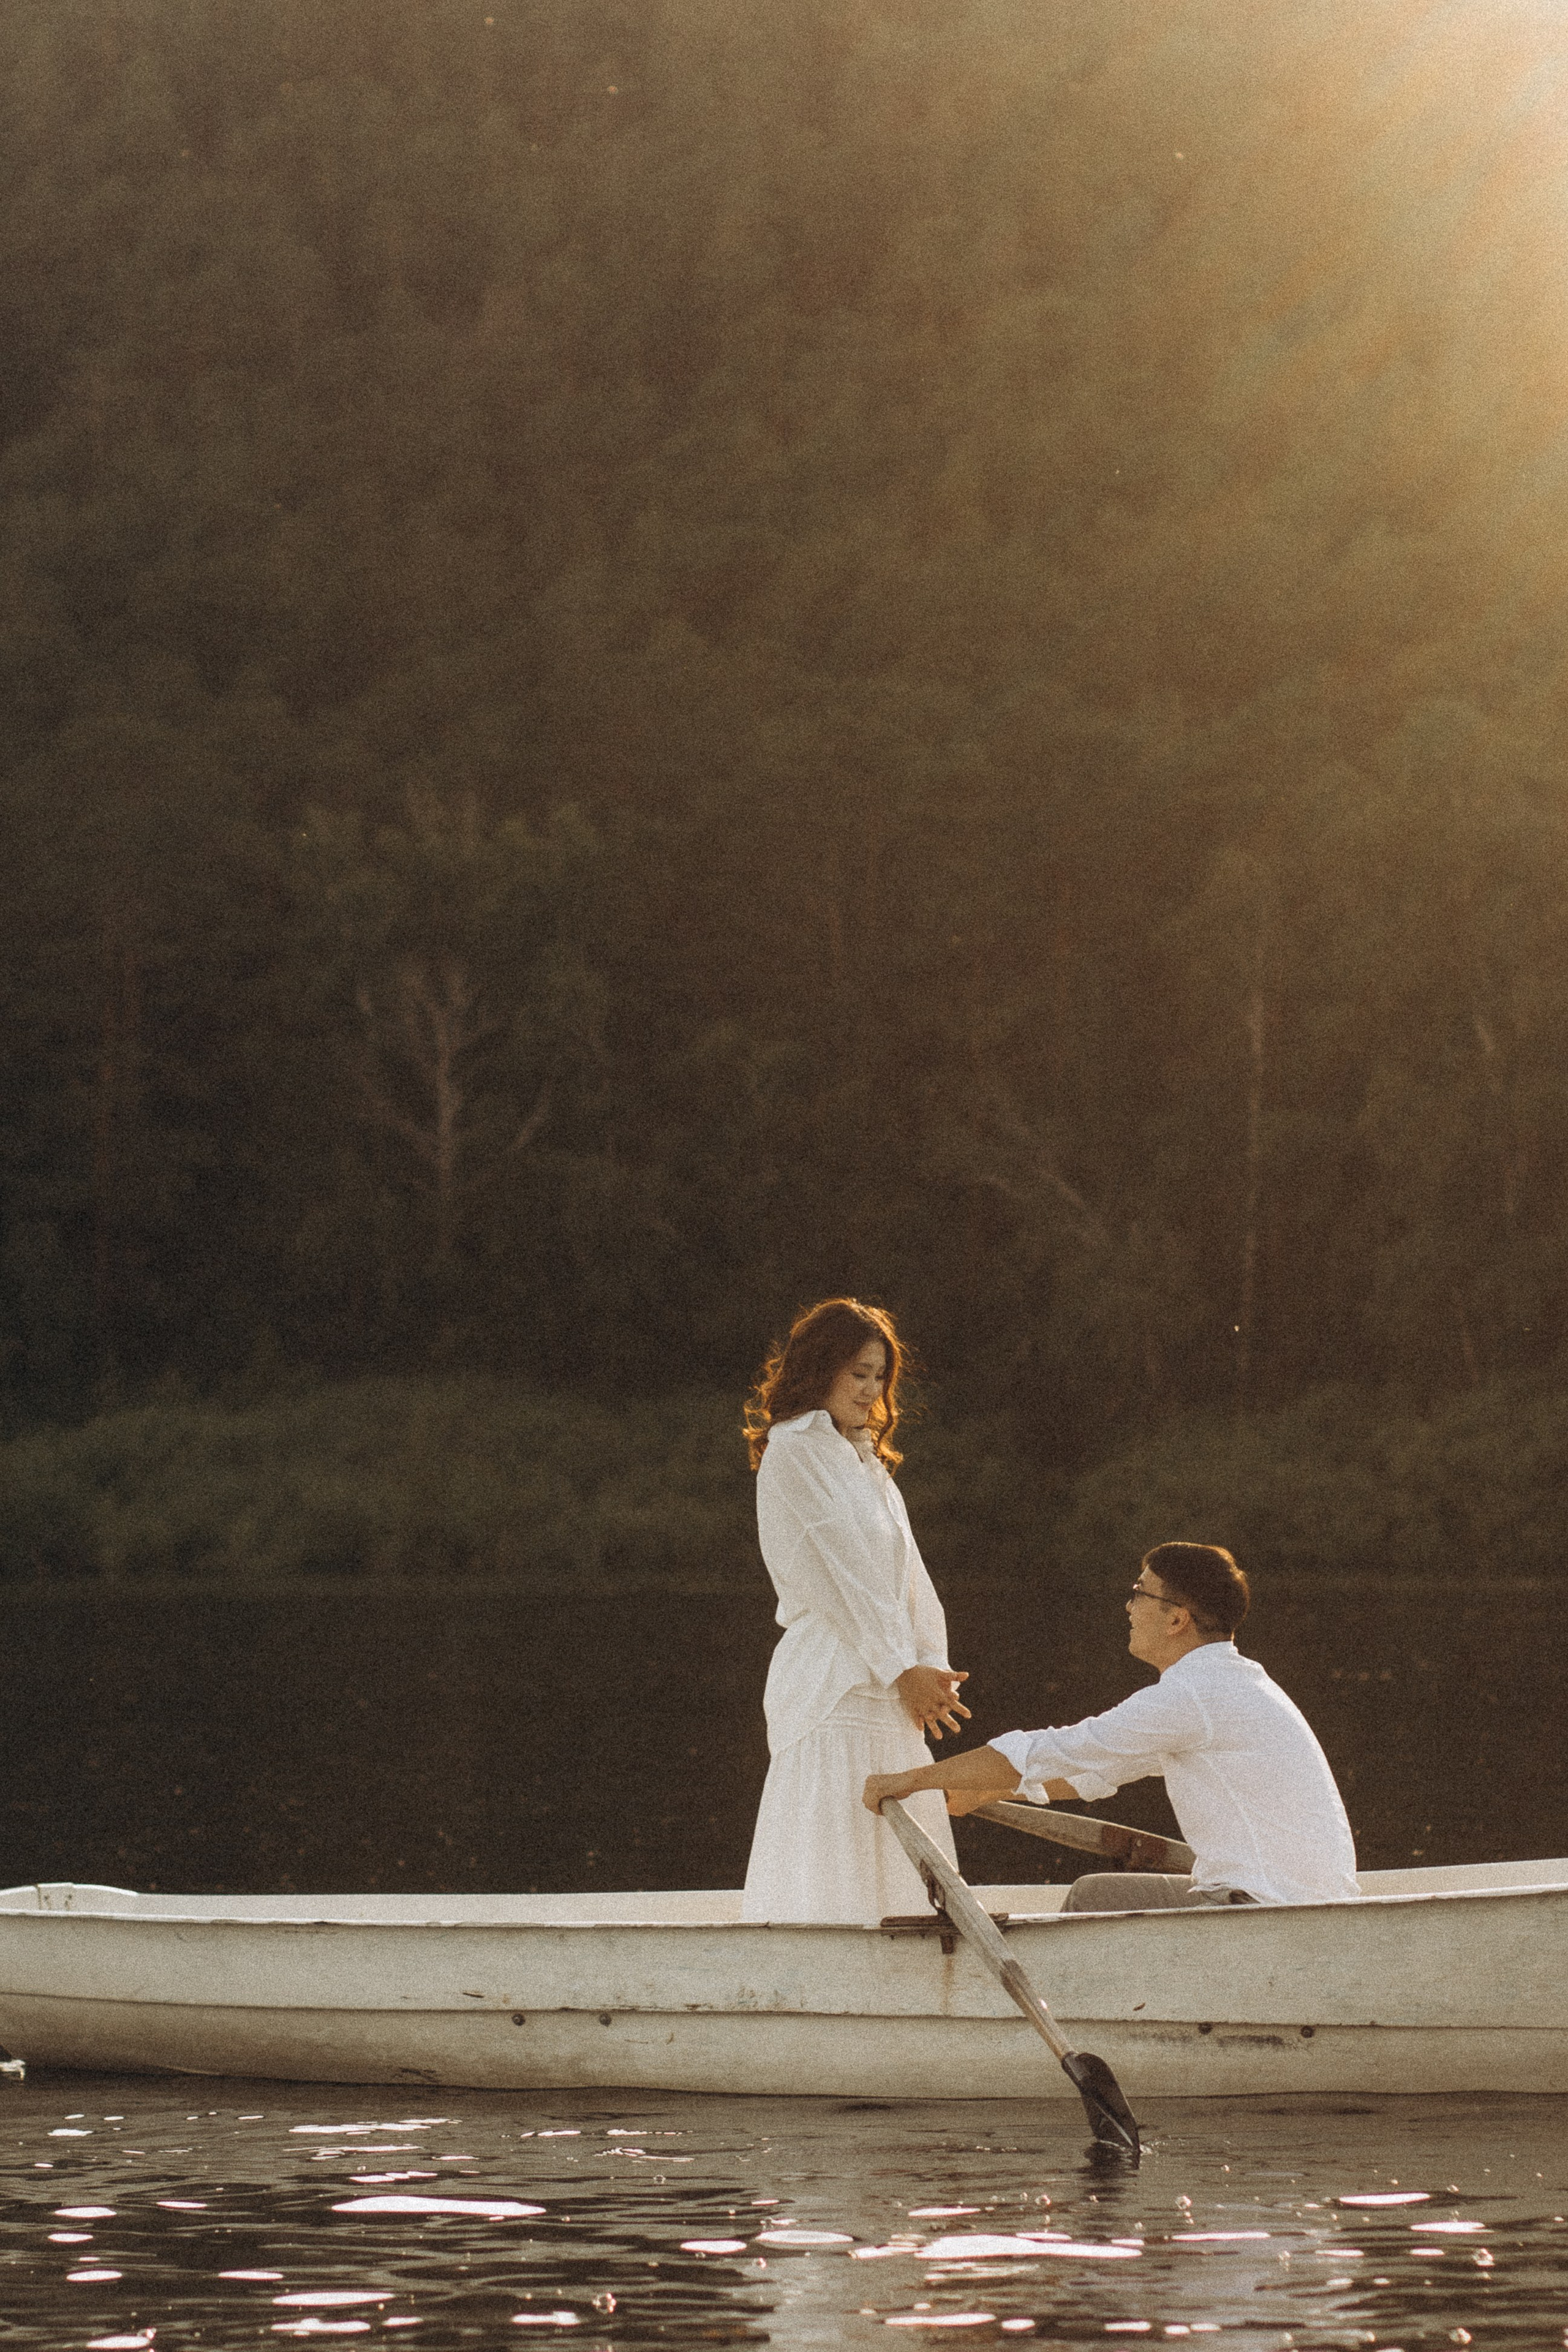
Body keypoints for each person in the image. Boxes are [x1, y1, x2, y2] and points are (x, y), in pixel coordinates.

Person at [864, 1541, 1359, 1909]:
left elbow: (1057, 1750)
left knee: (1093, 1899)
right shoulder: (1232, 1684)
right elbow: (1094, 1772)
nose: (1128, 1606)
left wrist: (910, 1780)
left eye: (1139, 1593)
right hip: (1298, 1904)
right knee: (1101, 1893)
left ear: (1176, 1620)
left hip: (1265, 1908)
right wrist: (986, 1791)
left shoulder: (1191, 1696)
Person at [740, 1298, 971, 1924]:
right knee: (832, 1856)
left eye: (879, 1377)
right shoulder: (794, 1451)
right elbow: (844, 1574)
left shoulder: (866, 1461)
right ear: (820, 1370)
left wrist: (929, 1666)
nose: (871, 1391)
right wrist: (901, 1667)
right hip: (834, 1687)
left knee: (905, 1864)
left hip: (892, 1691)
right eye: (858, 1374)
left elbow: (910, 1577)